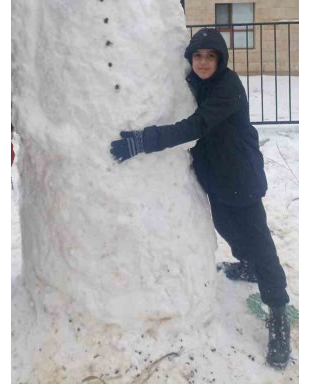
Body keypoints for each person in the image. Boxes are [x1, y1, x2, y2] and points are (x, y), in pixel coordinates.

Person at [108, 28, 291, 370]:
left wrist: (144, 141)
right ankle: (246, 264)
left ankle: (278, 312)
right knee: (226, 226)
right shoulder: (198, 82)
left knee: (260, 242)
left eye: (210, 57)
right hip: (215, 175)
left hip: (240, 175)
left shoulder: (227, 88)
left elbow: (196, 125)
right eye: (198, 56)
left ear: (220, 60)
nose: (204, 62)